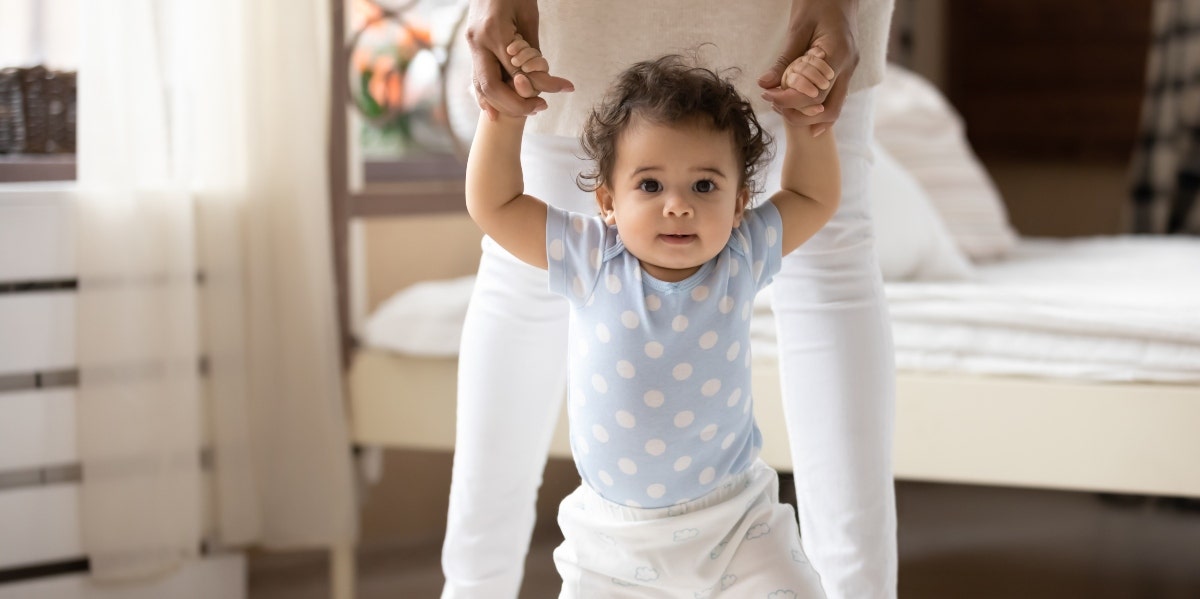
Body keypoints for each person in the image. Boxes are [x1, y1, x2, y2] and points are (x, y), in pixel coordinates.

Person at [443, 1, 897, 598]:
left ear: (740, 203)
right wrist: (502, 119)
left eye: (705, 185)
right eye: (650, 185)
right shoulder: (588, 257)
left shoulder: (742, 252)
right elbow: (496, 207)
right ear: (605, 200)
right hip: (610, 541)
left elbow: (812, 196)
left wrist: (806, 124)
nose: (677, 205)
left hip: (736, 527)